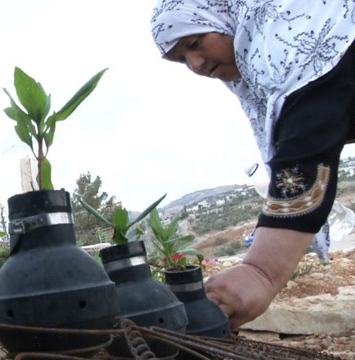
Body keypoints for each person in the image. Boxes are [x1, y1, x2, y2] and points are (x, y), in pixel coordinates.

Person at [150, 0, 355, 330]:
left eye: (194, 44)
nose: (196, 64)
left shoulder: (300, 32)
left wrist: (260, 272)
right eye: (181, 60)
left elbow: (304, 158)